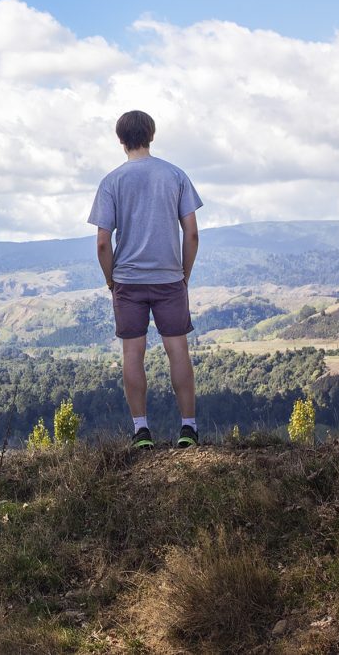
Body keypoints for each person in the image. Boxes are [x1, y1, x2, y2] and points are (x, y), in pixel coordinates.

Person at [87, 110, 202, 449]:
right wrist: (184, 275)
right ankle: (189, 429)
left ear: (120, 140)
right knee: (178, 351)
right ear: (151, 135)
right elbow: (192, 234)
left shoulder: (112, 182)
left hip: (127, 281)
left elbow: (103, 242)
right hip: (169, 278)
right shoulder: (176, 175)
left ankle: (141, 432)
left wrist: (111, 281)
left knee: (132, 354)